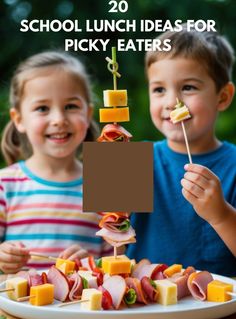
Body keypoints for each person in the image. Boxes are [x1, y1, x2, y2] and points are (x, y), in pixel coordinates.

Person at [127, 27, 236, 276]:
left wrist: (221, 215)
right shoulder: (130, 160)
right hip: (144, 307)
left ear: (223, 96)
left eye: (188, 87)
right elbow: (104, 246)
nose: (171, 102)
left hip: (219, 309)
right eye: (159, 90)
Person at [0, 51, 112, 273]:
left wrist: (92, 265)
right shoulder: (5, 184)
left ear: (88, 114)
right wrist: (3, 256)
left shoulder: (107, 183)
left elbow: (118, 263)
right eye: (42, 108)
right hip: (17, 307)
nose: (59, 119)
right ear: (19, 119)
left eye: (71, 106)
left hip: (81, 306)